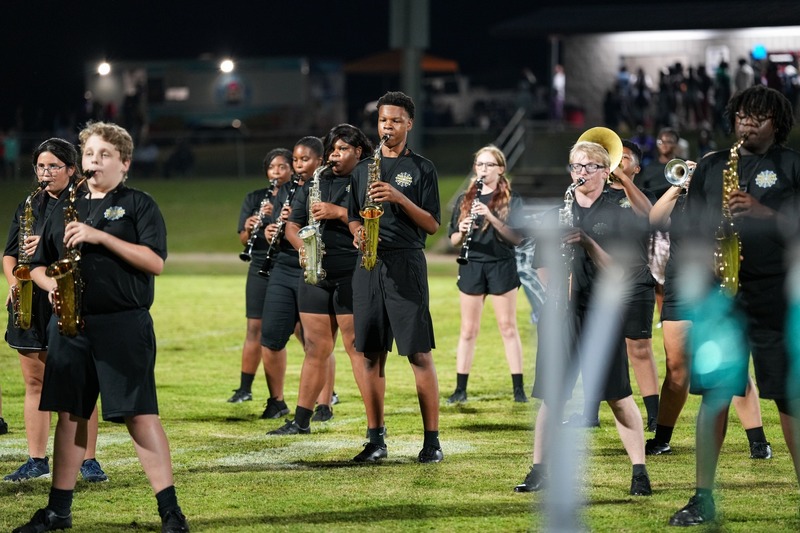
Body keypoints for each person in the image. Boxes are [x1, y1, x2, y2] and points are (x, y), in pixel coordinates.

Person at [16, 122, 188, 532]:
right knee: (70, 415)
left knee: (139, 415)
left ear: (124, 163)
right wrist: (51, 286)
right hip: (70, 325)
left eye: (104, 154)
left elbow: (155, 262)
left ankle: (170, 512)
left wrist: (99, 236)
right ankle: (58, 511)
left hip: (123, 324)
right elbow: (37, 265)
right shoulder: (65, 205)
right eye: (90, 154)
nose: (94, 161)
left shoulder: (138, 204)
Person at [668, 85, 799, 526]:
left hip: (775, 295)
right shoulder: (712, 166)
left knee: (789, 397)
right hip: (720, 298)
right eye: (742, 115)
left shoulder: (791, 164)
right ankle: (702, 497)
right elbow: (687, 226)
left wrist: (765, 214)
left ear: (777, 123)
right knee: (715, 395)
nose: (748, 123)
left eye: (759, 117)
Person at [514, 135, 652, 496]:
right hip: (562, 315)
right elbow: (541, 266)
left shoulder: (619, 211)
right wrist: (556, 293)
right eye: (576, 166)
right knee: (552, 397)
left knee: (617, 396)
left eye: (589, 166)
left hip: (601, 313)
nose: (581, 172)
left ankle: (639, 471)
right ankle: (539, 469)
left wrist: (589, 244)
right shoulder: (559, 211)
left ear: (606, 172)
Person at [647, 157, 770, 463]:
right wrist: (679, 184)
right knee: (676, 368)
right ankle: (662, 439)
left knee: (734, 369)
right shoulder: (679, 201)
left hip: (719, 291)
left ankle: (758, 441)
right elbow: (654, 219)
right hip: (680, 289)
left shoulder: (728, 204)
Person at [347, 91, 443, 463]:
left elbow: (432, 225)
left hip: (406, 263)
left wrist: (399, 197)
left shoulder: (422, 168)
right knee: (370, 355)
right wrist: (357, 231)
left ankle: (432, 442)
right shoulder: (362, 168)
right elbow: (353, 215)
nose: (388, 126)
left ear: (409, 124)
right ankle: (376, 440)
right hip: (368, 265)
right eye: (383, 120)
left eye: (395, 121)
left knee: (418, 354)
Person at [3, 138, 106, 484]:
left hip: (67, 296)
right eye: (40, 167)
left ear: (72, 169)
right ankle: (36, 459)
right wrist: (13, 283)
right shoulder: (29, 204)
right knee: (34, 382)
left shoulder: (85, 203)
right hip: (30, 299)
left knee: (78, 384)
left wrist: (48, 248)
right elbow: (10, 253)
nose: (45, 173)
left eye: (53, 167)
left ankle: (88, 460)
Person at [267, 124, 373, 435]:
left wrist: (337, 212)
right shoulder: (316, 180)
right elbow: (292, 225)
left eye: (342, 149)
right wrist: (303, 248)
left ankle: (375, 426)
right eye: (331, 150)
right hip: (315, 273)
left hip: (351, 272)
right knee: (315, 348)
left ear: (358, 152)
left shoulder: (366, 179)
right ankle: (301, 421)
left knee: (356, 348)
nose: (334, 155)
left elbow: (370, 219)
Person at [564, 139, 659, 430]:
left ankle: (654, 416)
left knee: (638, 348)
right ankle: (590, 414)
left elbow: (649, 215)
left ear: (636, 168)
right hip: (599, 284)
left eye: (624, 158)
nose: (618, 161)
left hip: (635, 279)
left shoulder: (639, 195)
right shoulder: (592, 196)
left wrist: (624, 181)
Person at [259, 136, 335, 420]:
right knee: (270, 337)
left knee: (317, 341)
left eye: (305, 159)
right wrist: (272, 230)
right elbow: (279, 227)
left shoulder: (328, 187)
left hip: (315, 268)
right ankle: (276, 401)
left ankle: (324, 403)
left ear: (320, 161)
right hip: (284, 265)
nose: (299, 165)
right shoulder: (286, 190)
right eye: (296, 160)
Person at [445, 145, 526, 405]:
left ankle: (518, 389)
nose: (484, 169)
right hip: (472, 264)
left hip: (501, 264)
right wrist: (462, 229)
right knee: (468, 330)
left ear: (500, 169)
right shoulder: (465, 198)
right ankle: (460, 389)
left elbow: (516, 238)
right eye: (480, 164)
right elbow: (453, 240)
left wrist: (490, 215)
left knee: (507, 327)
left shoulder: (513, 199)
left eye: (489, 165)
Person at [226, 148, 291, 404]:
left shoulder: (296, 196)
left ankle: (326, 391)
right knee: (254, 327)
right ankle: (245, 388)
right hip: (259, 265)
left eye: (282, 166)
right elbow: (244, 239)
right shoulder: (254, 198)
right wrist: (250, 226)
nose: (277, 172)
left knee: (300, 329)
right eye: (272, 167)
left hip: (286, 265)